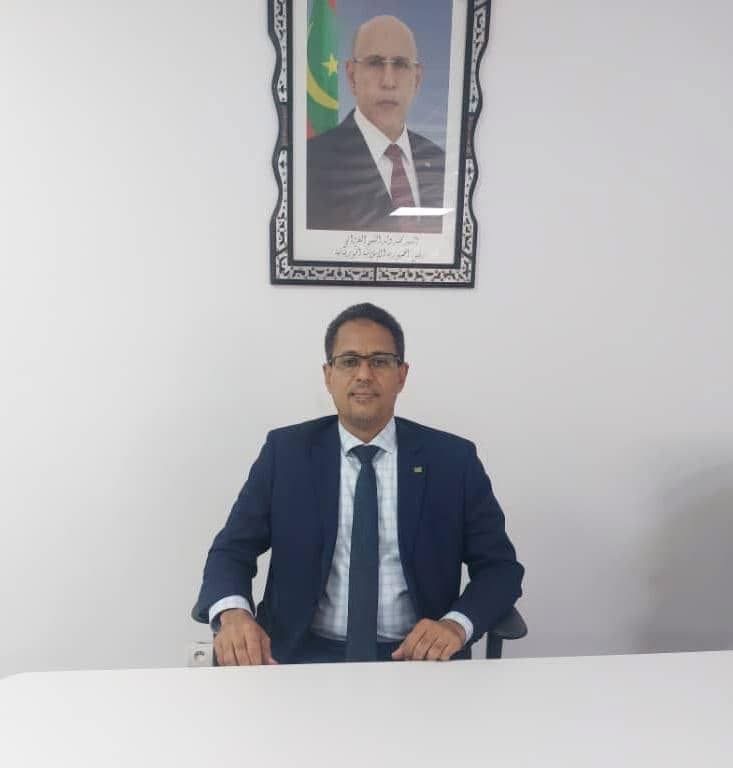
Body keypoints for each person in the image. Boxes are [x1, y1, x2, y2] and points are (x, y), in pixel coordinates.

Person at [195, 303, 523, 665]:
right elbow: (231, 551)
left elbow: (500, 569)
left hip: (419, 658)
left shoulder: (452, 460)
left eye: (380, 361)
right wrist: (234, 614)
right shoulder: (286, 454)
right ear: (328, 375)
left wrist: (456, 625)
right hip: (299, 655)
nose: (364, 374)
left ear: (402, 375)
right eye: (349, 361)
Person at [307, 15, 446, 233]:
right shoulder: (311, 164)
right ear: (352, 76)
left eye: (400, 64)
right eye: (375, 63)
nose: (388, 82)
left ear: (417, 80)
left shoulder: (440, 162)